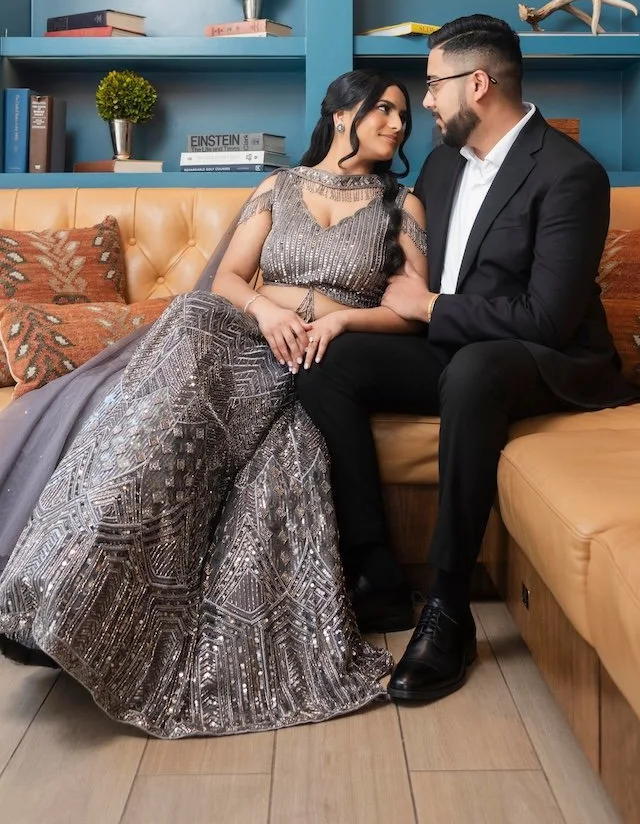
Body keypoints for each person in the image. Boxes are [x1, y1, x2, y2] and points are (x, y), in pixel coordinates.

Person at [0, 71, 429, 738]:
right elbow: (228, 277)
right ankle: (66, 594)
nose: (398, 125)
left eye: (404, 114)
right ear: (342, 114)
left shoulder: (402, 204)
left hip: (321, 356)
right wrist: (264, 309)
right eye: (384, 110)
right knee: (190, 328)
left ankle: (112, 624)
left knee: (267, 444)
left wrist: (340, 320)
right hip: (248, 335)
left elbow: (410, 311)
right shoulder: (276, 188)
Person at [297, 15, 640, 703]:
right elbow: (400, 262)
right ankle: (378, 574)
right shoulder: (442, 163)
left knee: (476, 368)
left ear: (477, 84)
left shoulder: (571, 174)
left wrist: (430, 307)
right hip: (453, 350)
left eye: (432, 85)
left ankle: (448, 609)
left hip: (544, 358)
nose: (423, 102)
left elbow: (547, 318)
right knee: (329, 359)